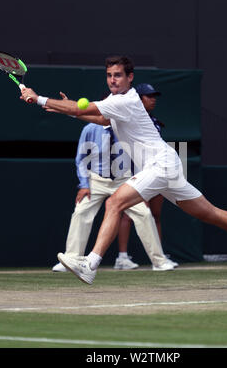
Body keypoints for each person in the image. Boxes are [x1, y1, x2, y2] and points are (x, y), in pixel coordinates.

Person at [21, 55, 227, 285]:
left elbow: (82, 108)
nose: (113, 80)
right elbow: (100, 118)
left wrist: (40, 98)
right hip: (166, 164)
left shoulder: (126, 100)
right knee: (209, 213)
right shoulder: (115, 100)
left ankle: (90, 264)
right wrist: (68, 110)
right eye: (109, 75)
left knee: (114, 203)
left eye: (118, 75)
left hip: (160, 165)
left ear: (130, 77)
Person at [50, 94, 176, 272]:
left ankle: (159, 261)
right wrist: (84, 184)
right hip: (97, 180)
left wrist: (142, 186)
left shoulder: (127, 127)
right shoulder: (90, 129)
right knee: (81, 211)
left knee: (144, 215)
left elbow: (140, 156)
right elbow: (81, 159)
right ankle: (71, 259)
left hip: (124, 179)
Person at [119, 82, 178, 267]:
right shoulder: (129, 118)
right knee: (130, 214)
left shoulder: (154, 121)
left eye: (154, 96)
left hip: (156, 170)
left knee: (155, 214)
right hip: (136, 173)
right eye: (149, 96)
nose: (153, 99)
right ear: (139, 98)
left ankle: (159, 258)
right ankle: (122, 257)